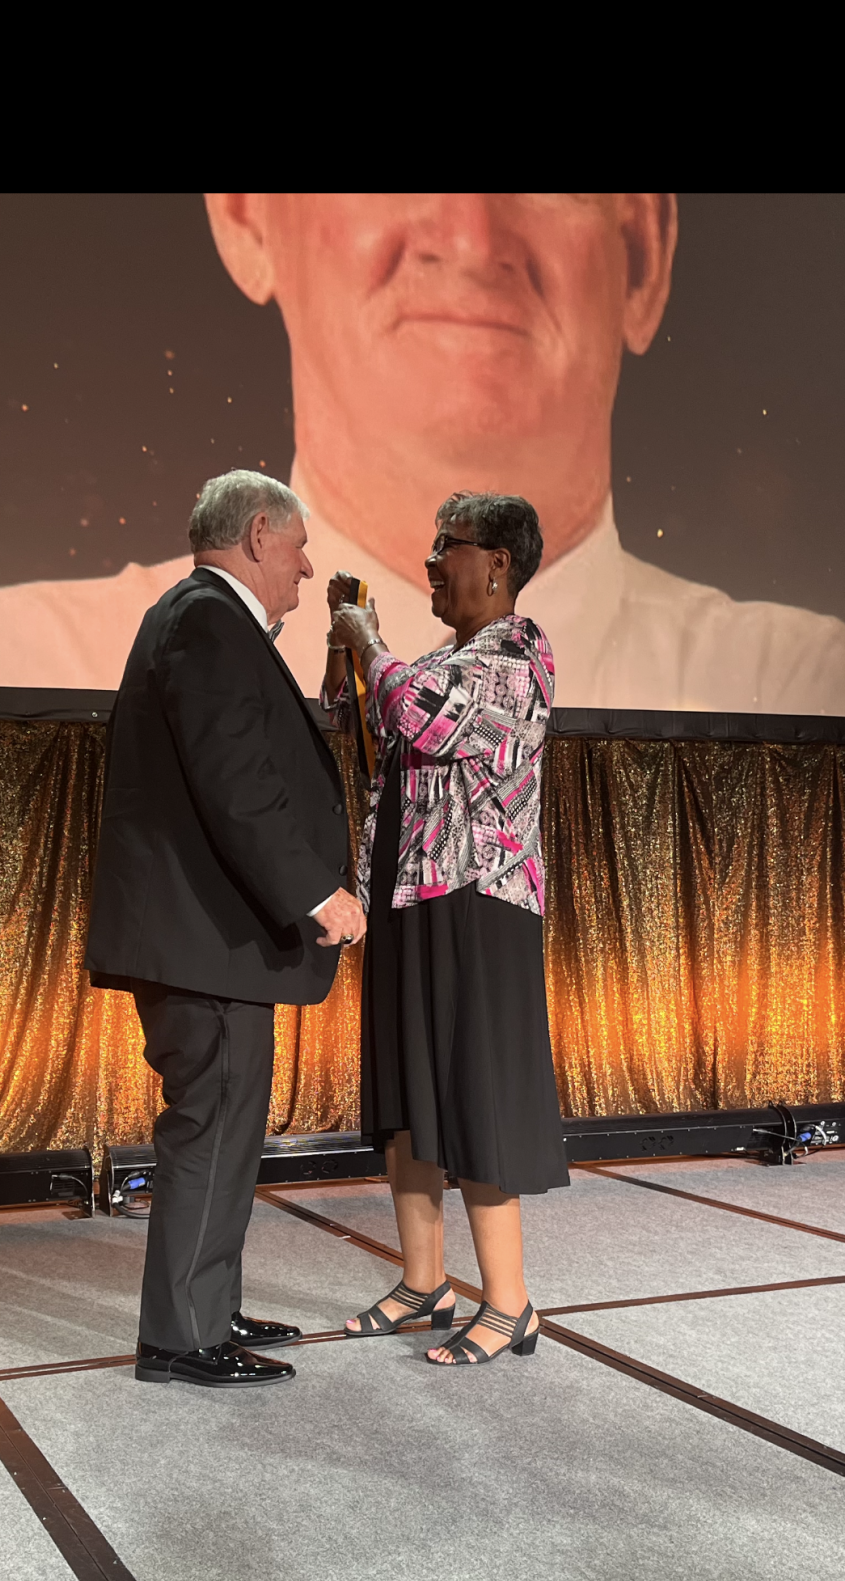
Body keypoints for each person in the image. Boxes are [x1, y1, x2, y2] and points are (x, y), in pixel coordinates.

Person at [0, 194, 845, 715]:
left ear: (643, 251)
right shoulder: (15, 671)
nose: (471, 237)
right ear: (247, 215)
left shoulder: (797, 689)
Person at [84, 469, 366, 1390]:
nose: (307, 567)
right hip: (205, 943)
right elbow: (234, 780)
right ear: (258, 536)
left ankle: (211, 1305)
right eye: (299, 547)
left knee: (229, 1125)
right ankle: (182, 1336)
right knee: (211, 1125)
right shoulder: (206, 620)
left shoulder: (200, 617)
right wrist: (316, 894)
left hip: (212, 942)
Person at [323, 491, 569, 1368]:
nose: (431, 561)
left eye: (448, 546)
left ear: (497, 563)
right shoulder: (441, 660)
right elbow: (370, 725)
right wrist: (347, 655)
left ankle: (511, 1302)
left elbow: (418, 712)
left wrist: (370, 641)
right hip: (410, 892)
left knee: (475, 1092)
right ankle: (424, 1282)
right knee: (410, 1095)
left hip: (479, 899)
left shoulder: (518, 653)